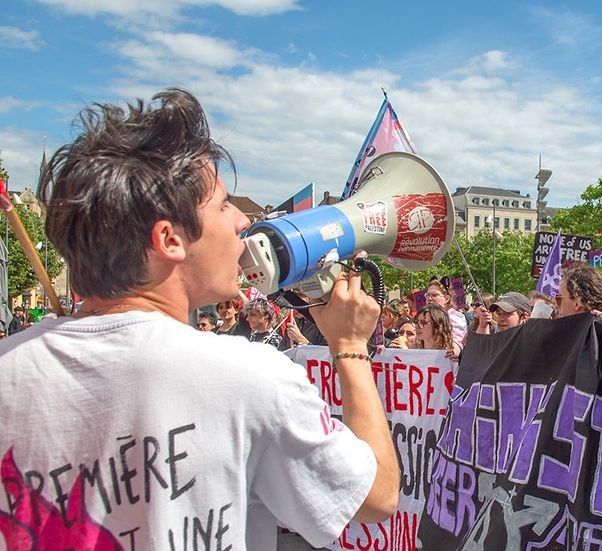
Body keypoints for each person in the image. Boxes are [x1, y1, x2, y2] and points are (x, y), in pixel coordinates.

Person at [0, 89, 398, 548]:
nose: (241, 225)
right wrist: (349, 347)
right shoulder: (250, 377)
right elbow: (376, 497)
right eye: (224, 205)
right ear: (170, 239)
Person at [425, 278, 466, 349]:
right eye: (427, 295)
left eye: (434, 295)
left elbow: (458, 342)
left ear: (446, 299)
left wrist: (454, 351)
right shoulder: (424, 316)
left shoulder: (454, 317)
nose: (430, 298)